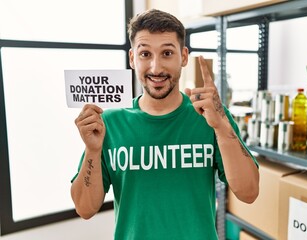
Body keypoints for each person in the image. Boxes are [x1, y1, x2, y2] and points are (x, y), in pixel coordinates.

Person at [71, 9, 259, 240]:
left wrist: (222, 128)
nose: (156, 67)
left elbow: (249, 192)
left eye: (167, 53)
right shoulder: (109, 123)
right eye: (145, 54)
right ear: (132, 58)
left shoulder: (210, 116)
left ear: (184, 56)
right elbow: (85, 208)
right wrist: (92, 150)